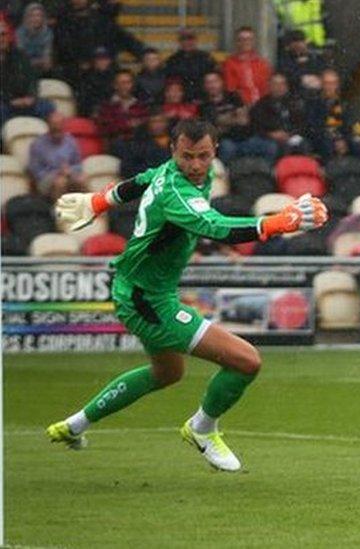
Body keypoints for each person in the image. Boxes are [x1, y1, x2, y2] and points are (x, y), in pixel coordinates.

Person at [46, 119, 329, 472]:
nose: (195, 165)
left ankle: (74, 426)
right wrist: (274, 223)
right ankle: (202, 428)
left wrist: (101, 200)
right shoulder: (177, 190)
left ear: (214, 153)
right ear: (173, 152)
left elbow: (141, 180)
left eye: (203, 156)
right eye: (187, 157)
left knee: (166, 373)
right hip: (147, 300)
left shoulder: (179, 173)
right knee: (246, 361)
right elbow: (215, 227)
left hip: (142, 288)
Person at [0, 18, 54, 123]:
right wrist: (11, 101)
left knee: (48, 107)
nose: (1, 39)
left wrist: (31, 97)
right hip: (6, 103)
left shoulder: (21, 56)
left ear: (8, 36)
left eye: (3, 34)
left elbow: (32, 79)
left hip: (26, 102)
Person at [27, 111, 86, 200]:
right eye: (54, 125)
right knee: (60, 182)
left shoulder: (70, 141)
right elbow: (36, 172)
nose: (57, 127)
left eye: (60, 125)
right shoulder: (37, 144)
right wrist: (57, 173)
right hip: (46, 178)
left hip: (68, 174)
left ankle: (87, 210)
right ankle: (58, 211)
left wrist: (70, 170)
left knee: (82, 179)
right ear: (48, 126)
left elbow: (78, 165)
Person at [94, 69, 149, 143]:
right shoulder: (106, 106)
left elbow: (146, 124)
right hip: (115, 144)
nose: (125, 86)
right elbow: (104, 129)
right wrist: (127, 124)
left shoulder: (140, 105)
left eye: (128, 82)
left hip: (138, 143)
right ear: (115, 85)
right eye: (122, 83)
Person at [222, 26, 272, 106]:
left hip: (263, 106)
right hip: (240, 106)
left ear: (254, 41)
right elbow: (231, 89)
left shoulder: (263, 63)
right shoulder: (229, 63)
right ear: (237, 42)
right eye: (242, 39)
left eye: (249, 39)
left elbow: (267, 88)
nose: (246, 42)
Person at [164, 28, 218, 102]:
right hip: (181, 101)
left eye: (190, 39)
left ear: (196, 40)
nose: (187, 42)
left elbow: (214, 80)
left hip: (204, 99)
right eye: (183, 39)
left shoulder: (206, 58)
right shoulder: (172, 60)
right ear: (179, 42)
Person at [15, 2, 53, 75]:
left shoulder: (48, 33)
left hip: (42, 72)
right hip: (22, 72)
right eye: (32, 16)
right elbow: (21, 60)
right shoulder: (19, 33)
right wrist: (39, 62)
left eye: (39, 15)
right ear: (26, 17)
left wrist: (36, 62)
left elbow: (47, 63)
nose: (36, 19)